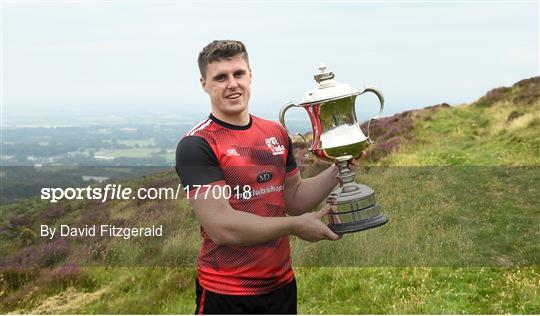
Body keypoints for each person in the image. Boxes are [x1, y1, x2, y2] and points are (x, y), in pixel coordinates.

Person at [175, 40, 357, 314]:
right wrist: (295, 226)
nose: (232, 84)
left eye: (238, 74)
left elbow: (293, 198)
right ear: (204, 84)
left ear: (250, 75)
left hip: (281, 287)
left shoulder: (275, 132)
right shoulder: (197, 144)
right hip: (226, 293)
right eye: (220, 77)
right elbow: (221, 227)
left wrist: (340, 168)